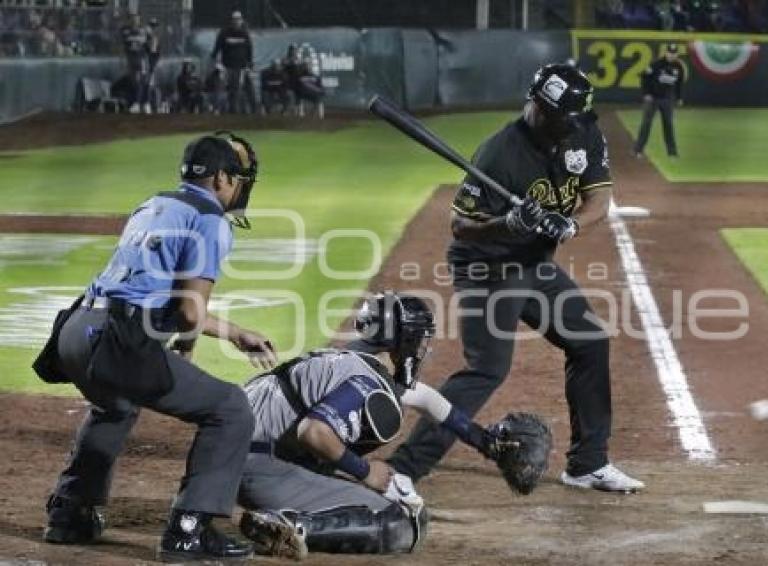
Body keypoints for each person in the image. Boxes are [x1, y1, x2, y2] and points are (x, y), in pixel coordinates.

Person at [387, 63, 644, 494]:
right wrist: (508, 222)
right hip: (486, 267)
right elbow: (461, 225)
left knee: (590, 341)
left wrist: (571, 225)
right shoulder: (499, 154)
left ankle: (587, 464)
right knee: (487, 368)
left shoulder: (580, 132)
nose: (575, 127)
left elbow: (599, 195)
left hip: (532, 265)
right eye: (567, 118)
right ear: (541, 109)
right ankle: (403, 469)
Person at [33, 133, 279, 561]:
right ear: (221, 177)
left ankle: (70, 512)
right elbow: (188, 312)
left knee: (116, 404)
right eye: (237, 178)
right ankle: (191, 529)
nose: (239, 186)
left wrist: (195, 343)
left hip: (75, 330)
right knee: (230, 408)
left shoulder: (155, 203)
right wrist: (231, 334)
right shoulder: (211, 219)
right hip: (117, 341)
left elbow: (163, 297)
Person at [236, 292, 525, 558]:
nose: (424, 349)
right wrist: (366, 472)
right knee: (404, 522)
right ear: (405, 340)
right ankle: (291, 526)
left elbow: (424, 398)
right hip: (259, 470)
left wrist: (484, 441)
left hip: (226, 457)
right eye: (422, 340)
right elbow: (314, 431)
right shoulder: (367, 381)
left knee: (339, 463)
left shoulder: (346, 359)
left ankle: (235, 501)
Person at [632, 43, 685, 159]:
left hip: (667, 99)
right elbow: (644, 77)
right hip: (653, 98)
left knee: (668, 125)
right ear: (666, 53)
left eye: (674, 53)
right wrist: (646, 94)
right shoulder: (657, 64)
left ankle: (672, 152)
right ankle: (638, 150)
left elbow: (679, 84)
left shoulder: (679, 67)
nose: (671, 55)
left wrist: (679, 97)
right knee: (646, 124)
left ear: (677, 54)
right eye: (670, 53)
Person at [211, 10, 256, 114]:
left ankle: (244, 112)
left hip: (241, 67)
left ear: (241, 20)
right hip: (227, 66)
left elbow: (249, 50)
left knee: (239, 90)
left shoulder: (245, 33)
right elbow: (216, 48)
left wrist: (250, 64)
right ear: (231, 20)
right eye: (234, 19)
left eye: (238, 19)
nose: (236, 21)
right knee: (224, 88)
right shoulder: (224, 33)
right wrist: (215, 61)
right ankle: (220, 110)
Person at [119, 12, 154, 113]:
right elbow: (122, 45)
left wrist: (151, 50)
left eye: (136, 19)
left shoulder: (144, 30)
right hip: (131, 58)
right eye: (133, 19)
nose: (134, 21)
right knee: (134, 81)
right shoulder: (126, 31)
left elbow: (152, 40)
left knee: (143, 79)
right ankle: (138, 103)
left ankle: (142, 103)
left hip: (141, 58)